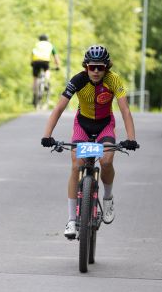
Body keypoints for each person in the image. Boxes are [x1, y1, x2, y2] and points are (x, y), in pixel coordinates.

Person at [40, 45, 138, 239]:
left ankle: (108, 198)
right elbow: (59, 108)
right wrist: (47, 135)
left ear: (106, 68)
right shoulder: (78, 80)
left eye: (100, 67)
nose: (95, 71)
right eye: (91, 67)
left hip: (105, 126)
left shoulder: (113, 80)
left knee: (107, 161)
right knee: (76, 166)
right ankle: (71, 220)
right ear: (86, 66)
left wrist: (131, 139)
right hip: (82, 126)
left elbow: (125, 110)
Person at [31, 34, 61, 104]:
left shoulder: (37, 44)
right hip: (45, 61)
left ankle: (34, 95)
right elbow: (55, 56)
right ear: (47, 39)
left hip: (36, 61)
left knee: (35, 78)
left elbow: (32, 53)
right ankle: (46, 82)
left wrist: (32, 62)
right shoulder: (50, 45)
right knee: (47, 70)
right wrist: (57, 65)